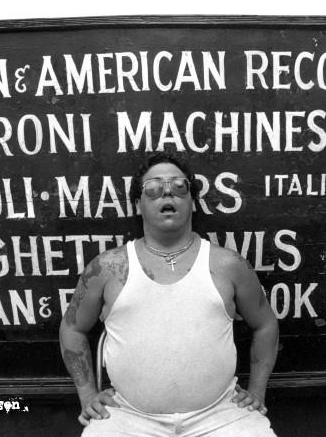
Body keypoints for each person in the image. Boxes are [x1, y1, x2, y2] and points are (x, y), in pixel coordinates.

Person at [59, 150, 279, 436]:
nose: (167, 193)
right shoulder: (108, 268)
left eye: (179, 187)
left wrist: (257, 391)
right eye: (153, 188)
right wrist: (88, 394)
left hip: (222, 415)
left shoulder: (228, 265)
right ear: (138, 205)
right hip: (127, 416)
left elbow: (265, 324)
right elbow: (72, 328)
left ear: (192, 202)